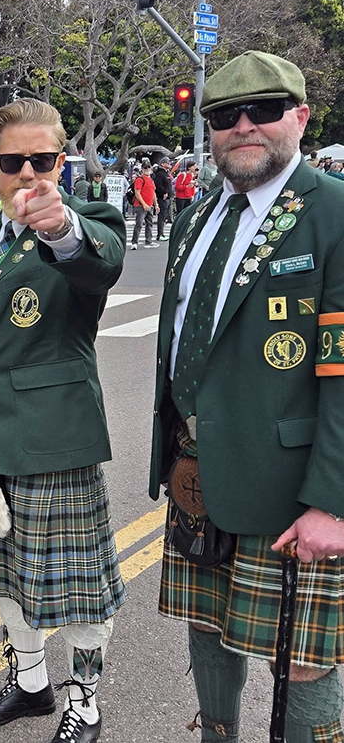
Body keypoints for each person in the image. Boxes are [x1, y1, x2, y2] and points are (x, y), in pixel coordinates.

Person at [0, 97, 126, 743]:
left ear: (62, 163)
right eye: (14, 161)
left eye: (43, 159)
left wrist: (61, 228)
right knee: (3, 576)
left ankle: (84, 701)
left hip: (54, 442)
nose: (29, 172)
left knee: (80, 589)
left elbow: (101, 260)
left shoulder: (85, 222)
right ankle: (31, 684)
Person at [151, 50, 344, 743]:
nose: (243, 127)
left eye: (263, 110)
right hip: (198, 471)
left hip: (290, 486)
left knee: (305, 662)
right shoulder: (194, 219)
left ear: (301, 116)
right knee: (207, 630)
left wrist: (332, 502)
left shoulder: (334, 212)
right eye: (224, 116)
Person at [131, 165, 158, 249]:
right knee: (139, 224)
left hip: (149, 205)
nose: (147, 170)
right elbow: (137, 193)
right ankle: (134, 242)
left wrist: (156, 204)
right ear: (142, 170)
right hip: (140, 205)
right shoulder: (140, 179)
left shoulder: (151, 180)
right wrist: (144, 204)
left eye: (149, 168)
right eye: (145, 168)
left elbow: (153, 193)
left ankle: (148, 241)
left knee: (149, 223)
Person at [153, 159, 173, 241]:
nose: (169, 164)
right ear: (162, 164)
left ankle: (161, 233)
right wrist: (164, 192)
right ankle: (160, 234)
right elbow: (158, 185)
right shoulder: (160, 174)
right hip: (162, 197)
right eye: (167, 163)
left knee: (164, 216)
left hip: (167, 197)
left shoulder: (166, 173)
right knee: (161, 216)